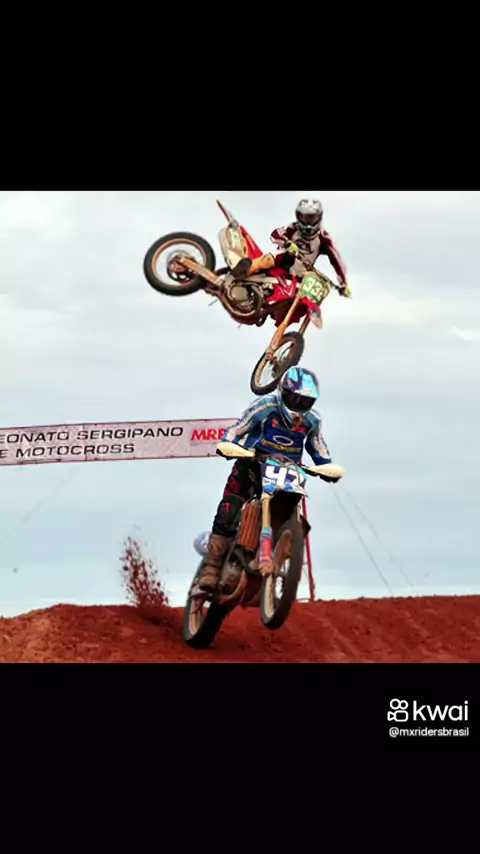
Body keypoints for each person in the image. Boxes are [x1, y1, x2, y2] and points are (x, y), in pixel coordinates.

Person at [195, 366, 344, 593]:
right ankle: (212, 567)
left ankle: (277, 555)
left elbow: (318, 447)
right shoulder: (265, 406)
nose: (299, 405)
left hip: (287, 472)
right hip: (251, 464)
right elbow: (237, 429)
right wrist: (228, 444)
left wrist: (326, 466)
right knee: (229, 507)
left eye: (306, 401)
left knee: (290, 510)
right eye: (295, 399)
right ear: (284, 392)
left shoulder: (312, 420)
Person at [231, 198, 350, 295]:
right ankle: (237, 274)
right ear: (298, 216)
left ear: (319, 218)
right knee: (267, 259)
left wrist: (343, 283)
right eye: (305, 217)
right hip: (282, 262)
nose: (308, 222)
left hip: (303, 275)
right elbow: (275, 235)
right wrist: (287, 243)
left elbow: (336, 260)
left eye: (311, 218)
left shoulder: (324, 238)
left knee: (314, 291)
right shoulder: (293, 228)